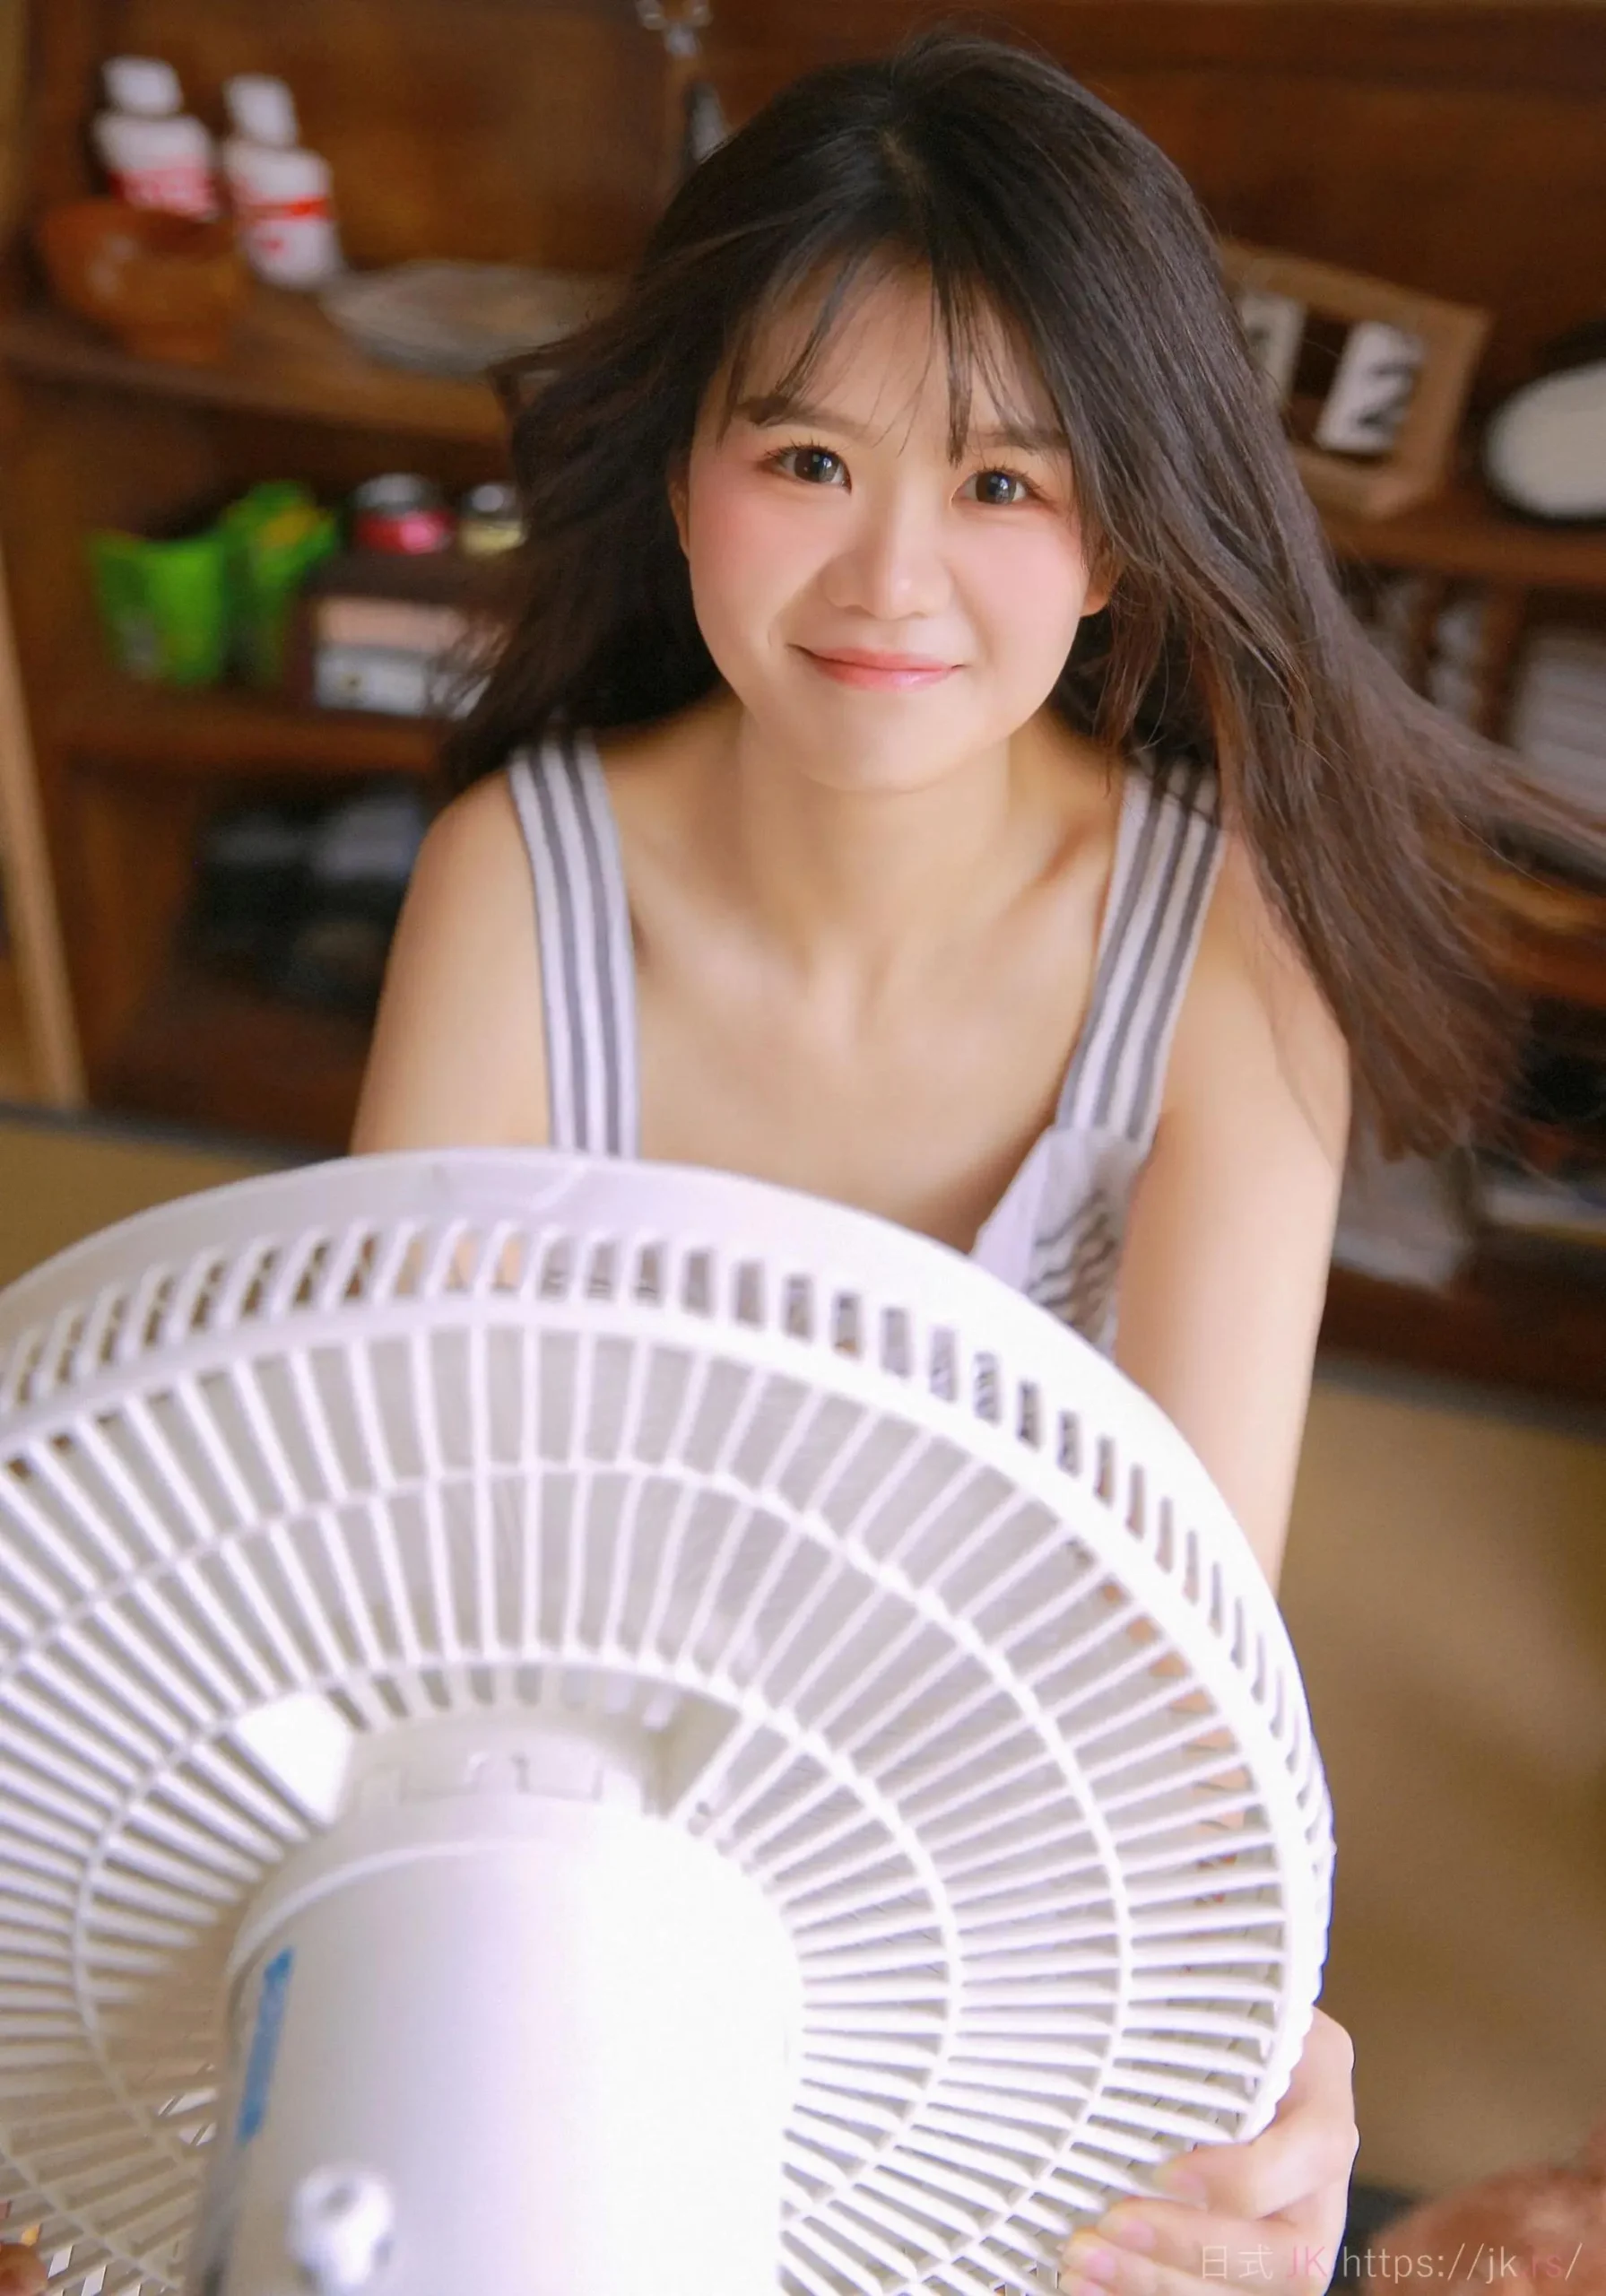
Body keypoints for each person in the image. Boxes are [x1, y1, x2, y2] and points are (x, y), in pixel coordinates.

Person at [351, 29, 1542, 2296]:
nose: (889, 573)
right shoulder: (519, 879)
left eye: (1003, 480)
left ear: (1122, 538)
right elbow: (409, 1536)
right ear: (681, 468)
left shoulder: (1225, 955)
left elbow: (1181, 1658)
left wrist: (1233, 2058)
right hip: (544, 1817)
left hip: (983, 1850)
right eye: (808, 455)